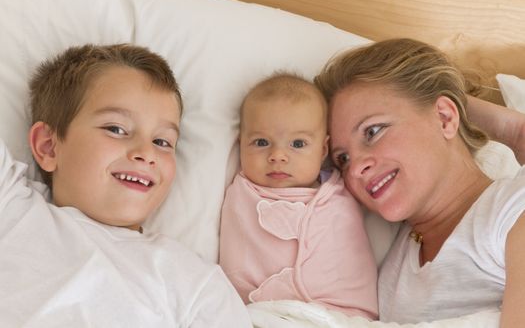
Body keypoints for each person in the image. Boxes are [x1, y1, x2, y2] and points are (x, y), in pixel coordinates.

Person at [0, 44, 252, 327]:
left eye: (162, 142)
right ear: (49, 147)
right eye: (116, 129)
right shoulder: (12, 208)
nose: (146, 152)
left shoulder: (194, 281)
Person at [314, 38, 525, 326]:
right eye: (343, 159)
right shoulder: (391, 268)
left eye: (373, 131)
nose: (356, 169)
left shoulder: (510, 211)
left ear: (444, 116)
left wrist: (514, 130)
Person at [219, 73, 378, 319]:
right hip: (258, 313)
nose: (278, 155)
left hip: (339, 313)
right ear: (241, 145)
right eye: (261, 142)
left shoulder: (340, 194)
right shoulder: (242, 191)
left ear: (323, 149)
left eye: (298, 144)